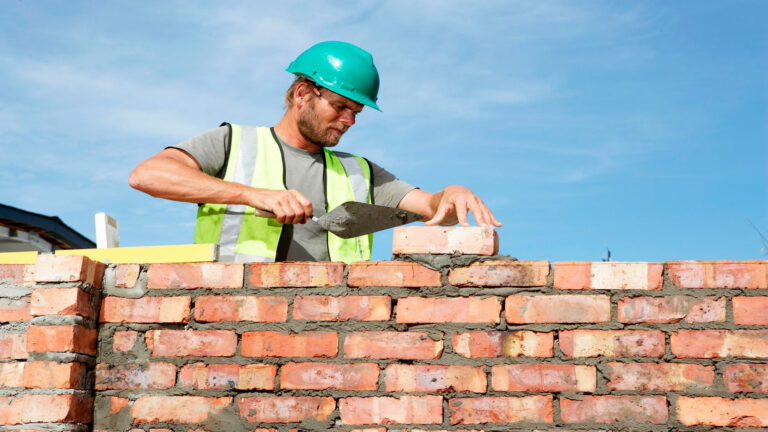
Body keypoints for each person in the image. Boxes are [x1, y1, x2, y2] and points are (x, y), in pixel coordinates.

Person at [129, 41, 500, 263]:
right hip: (229, 323)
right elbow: (147, 176)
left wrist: (452, 195)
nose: (349, 120)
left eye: (356, 112)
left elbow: (435, 210)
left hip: (325, 340)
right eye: (340, 106)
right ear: (303, 93)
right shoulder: (233, 143)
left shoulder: (360, 172)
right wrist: (253, 195)